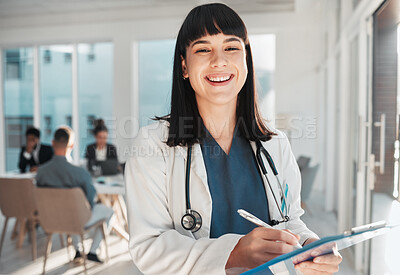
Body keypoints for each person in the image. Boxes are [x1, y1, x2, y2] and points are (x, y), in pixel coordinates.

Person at [125, 3, 342, 275]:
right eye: (203, 49)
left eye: (231, 48)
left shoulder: (275, 144)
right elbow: (149, 247)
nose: (219, 61)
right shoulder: (153, 145)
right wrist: (233, 252)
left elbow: (290, 223)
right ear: (184, 66)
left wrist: (310, 246)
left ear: (246, 61)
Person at [36, 126, 114, 263]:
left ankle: (78, 251)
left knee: (68, 209)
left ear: (53, 143)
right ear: (71, 145)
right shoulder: (80, 173)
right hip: (76, 218)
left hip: (50, 219)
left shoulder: (41, 172)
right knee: (109, 212)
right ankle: (93, 251)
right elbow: (90, 201)